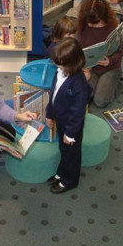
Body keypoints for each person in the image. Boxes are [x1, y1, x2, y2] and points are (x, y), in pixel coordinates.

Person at [45, 38, 92, 194]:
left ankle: (69, 180)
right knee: (63, 148)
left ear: (73, 63)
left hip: (72, 126)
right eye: (57, 63)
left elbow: (77, 112)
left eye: (61, 64)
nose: (58, 66)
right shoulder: (60, 72)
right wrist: (49, 115)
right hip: (61, 119)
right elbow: (53, 95)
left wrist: (70, 134)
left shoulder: (79, 84)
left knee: (71, 153)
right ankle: (61, 173)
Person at [78, 0, 123, 108]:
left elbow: (120, 52)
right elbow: (79, 49)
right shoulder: (83, 26)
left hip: (111, 68)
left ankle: (117, 84)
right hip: (91, 69)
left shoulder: (112, 27)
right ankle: (101, 86)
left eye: (95, 22)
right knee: (83, 96)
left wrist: (109, 61)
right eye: (89, 22)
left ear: (103, 17)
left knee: (100, 101)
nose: (91, 25)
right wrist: (83, 65)